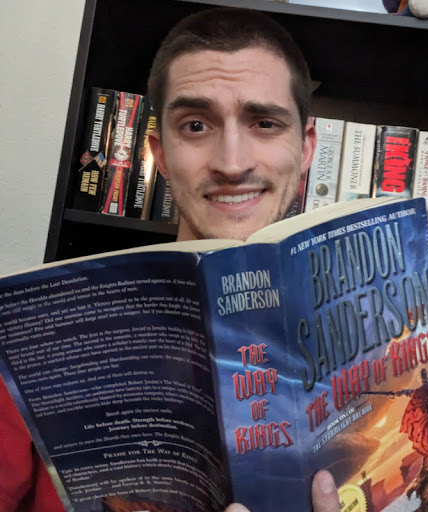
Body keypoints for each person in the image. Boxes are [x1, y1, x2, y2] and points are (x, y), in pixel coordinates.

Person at [0, 7, 340, 512]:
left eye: (265, 123)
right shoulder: (38, 338)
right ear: (159, 154)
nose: (232, 163)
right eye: (196, 125)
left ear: (306, 148)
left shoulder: (382, 346)